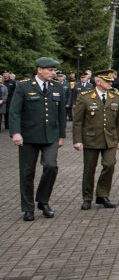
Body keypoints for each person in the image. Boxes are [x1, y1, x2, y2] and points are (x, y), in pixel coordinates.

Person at [9, 57, 67, 221]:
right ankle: (28, 208)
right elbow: (14, 112)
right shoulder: (24, 86)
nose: (52, 72)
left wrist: (62, 135)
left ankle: (43, 200)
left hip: (51, 136)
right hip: (29, 136)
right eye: (49, 69)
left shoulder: (57, 87)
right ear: (39, 70)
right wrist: (16, 132)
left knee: (51, 166)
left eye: (54, 69)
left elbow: (61, 114)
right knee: (27, 172)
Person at [72, 69, 119, 209]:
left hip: (110, 138)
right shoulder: (85, 97)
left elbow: (118, 121)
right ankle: (87, 197)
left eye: (111, 81)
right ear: (98, 81)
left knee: (110, 164)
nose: (110, 83)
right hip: (91, 139)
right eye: (107, 81)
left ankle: (102, 194)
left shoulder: (115, 96)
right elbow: (77, 121)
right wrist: (77, 140)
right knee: (89, 169)